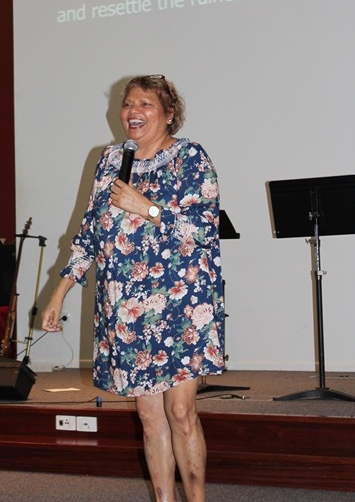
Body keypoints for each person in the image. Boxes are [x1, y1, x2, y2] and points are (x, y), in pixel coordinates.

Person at [42, 74, 224, 502]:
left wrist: (148, 208)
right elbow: (89, 234)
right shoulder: (111, 159)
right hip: (126, 305)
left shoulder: (189, 157)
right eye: (128, 104)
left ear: (169, 114)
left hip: (181, 302)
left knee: (181, 411)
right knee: (148, 415)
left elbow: (205, 228)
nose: (133, 112)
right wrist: (58, 292)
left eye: (145, 104)